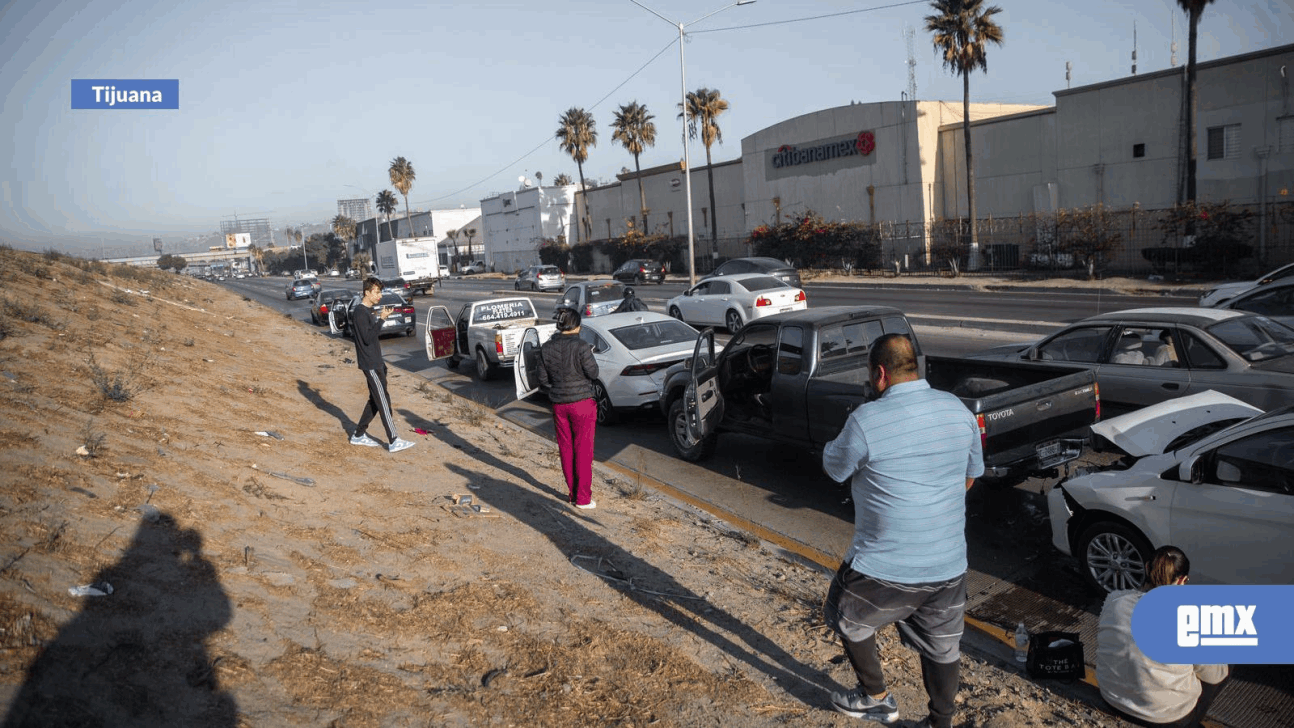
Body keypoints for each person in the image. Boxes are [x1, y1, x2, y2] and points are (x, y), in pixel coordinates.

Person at [821, 333, 984, 727]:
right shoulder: (957, 409)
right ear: (916, 366)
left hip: (884, 566)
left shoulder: (865, 420)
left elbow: (835, 467)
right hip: (948, 564)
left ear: (879, 374)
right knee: (943, 647)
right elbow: (971, 476)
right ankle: (940, 720)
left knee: (845, 614)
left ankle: (876, 697)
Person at [1097, 546, 1230, 728]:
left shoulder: (1115, 600)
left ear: (1146, 567)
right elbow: (1214, 676)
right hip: (1167, 718)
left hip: (1111, 699)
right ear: (1182, 580)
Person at [537, 307, 599, 509]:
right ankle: (583, 499)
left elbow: (542, 379)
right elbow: (594, 373)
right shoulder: (582, 346)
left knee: (566, 449)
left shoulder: (546, 348)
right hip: (582, 404)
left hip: (559, 405)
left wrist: (559, 388)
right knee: (583, 450)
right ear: (577, 326)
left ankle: (572, 494)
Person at [348, 277, 415, 453]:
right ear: (367, 292)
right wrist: (382, 320)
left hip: (376, 362)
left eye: (380, 292)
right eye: (377, 292)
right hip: (370, 364)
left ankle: (358, 435)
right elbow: (368, 338)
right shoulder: (360, 312)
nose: (380, 296)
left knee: (376, 401)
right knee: (383, 400)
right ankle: (393, 440)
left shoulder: (368, 311)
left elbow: (372, 338)